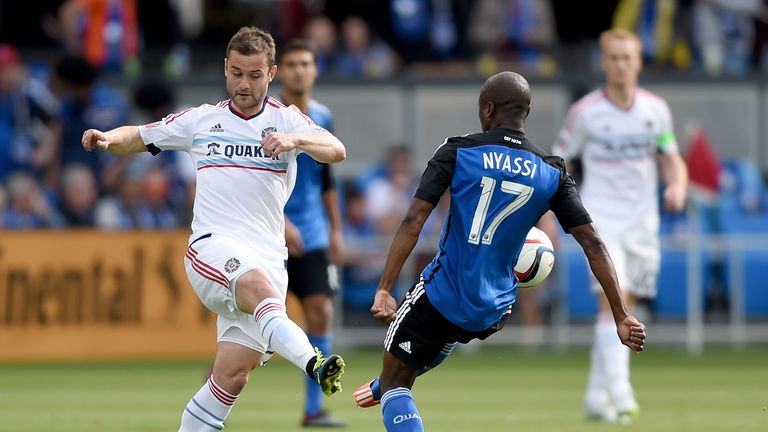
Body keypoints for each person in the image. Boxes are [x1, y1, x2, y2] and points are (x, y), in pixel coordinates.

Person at [80, 26, 347, 431]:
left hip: (267, 259)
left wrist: (294, 139)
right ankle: (314, 362)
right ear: (225, 68)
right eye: (236, 72)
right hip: (212, 249)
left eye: (254, 75)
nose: (244, 84)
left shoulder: (288, 119)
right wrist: (106, 138)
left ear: (270, 74)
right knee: (258, 289)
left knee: (230, 378)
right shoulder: (202, 120)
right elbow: (139, 135)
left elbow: (336, 150)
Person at [351, 71, 647, 432]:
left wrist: (385, 288)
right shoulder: (551, 170)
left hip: (446, 291)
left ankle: (388, 384)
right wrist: (621, 314)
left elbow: (414, 219)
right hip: (495, 309)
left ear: (487, 109)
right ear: (527, 113)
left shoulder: (458, 151)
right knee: (437, 338)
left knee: (398, 382)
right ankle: (387, 381)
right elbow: (593, 242)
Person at [552, 29, 687, 423]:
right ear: (603, 62)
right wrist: (553, 215)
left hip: (643, 221)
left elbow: (670, 154)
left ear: (639, 61)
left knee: (629, 305)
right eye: (613, 57)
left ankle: (596, 397)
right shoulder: (586, 113)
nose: (620, 64)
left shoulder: (655, 110)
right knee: (616, 302)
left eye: (627, 57)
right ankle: (622, 393)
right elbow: (558, 165)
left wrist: (677, 183)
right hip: (600, 221)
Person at [276, 39, 346, 428]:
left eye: (305, 63)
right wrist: (281, 221)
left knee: (321, 311)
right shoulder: (267, 116)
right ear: (279, 71)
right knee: (254, 323)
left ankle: (313, 409)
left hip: (314, 235)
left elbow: (327, 179)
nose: (299, 70)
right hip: (270, 234)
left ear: (315, 70)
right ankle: (215, 390)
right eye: (291, 63)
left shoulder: (322, 117)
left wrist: (336, 229)